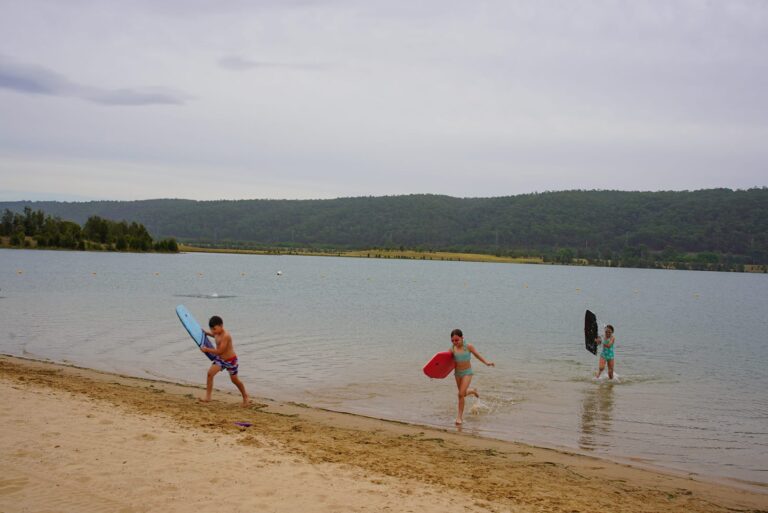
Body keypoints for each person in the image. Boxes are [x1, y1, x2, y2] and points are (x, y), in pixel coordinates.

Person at [200, 315, 249, 406]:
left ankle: (245, 396)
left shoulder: (226, 336)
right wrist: (206, 333)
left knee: (235, 380)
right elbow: (214, 335)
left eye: (214, 329)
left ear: (221, 325)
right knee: (210, 374)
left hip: (231, 360)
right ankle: (208, 397)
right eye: (211, 329)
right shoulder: (216, 333)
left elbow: (220, 351)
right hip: (220, 359)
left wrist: (207, 350)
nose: (213, 331)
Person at [450, 328, 494, 425]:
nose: (454, 342)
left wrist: (486, 362)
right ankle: (473, 391)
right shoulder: (452, 348)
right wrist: (436, 373)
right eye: (452, 340)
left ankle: (459, 417)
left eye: (457, 340)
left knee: (460, 394)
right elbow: (446, 362)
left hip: (467, 373)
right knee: (463, 394)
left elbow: (477, 355)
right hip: (457, 374)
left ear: (462, 338)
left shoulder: (468, 347)